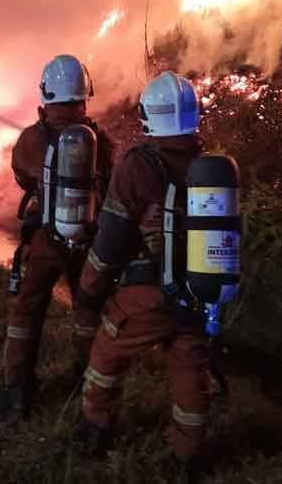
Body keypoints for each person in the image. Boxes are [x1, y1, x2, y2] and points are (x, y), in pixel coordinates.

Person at [72, 70, 212, 478]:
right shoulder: (210, 168)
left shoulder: (139, 165)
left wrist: (89, 290)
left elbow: (112, 240)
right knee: (189, 367)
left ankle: (95, 430)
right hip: (199, 289)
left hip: (147, 293)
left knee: (106, 356)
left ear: (149, 116)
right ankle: (187, 457)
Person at [0, 54, 115, 423]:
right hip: (88, 243)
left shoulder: (30, 139)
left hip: (46, 240)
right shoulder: (101, 140)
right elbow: (112, 185)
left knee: (26, 311)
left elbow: (22, 175)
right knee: (87, 311)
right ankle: (87, 380)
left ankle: (18, 390)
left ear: (46, 93)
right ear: (85, 94)